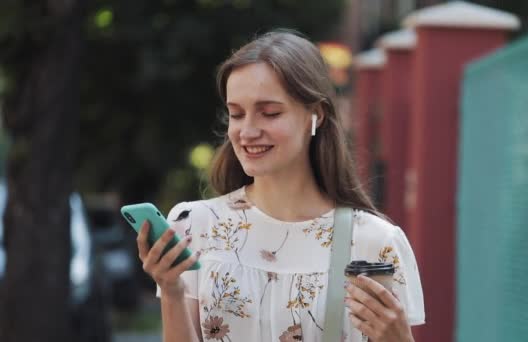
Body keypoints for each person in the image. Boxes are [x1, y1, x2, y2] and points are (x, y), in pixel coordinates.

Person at [136, 29, 425, 342]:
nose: (247, 131)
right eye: (236, 114)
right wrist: (172, 292)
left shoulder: (373, 242)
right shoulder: (195, 226)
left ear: (315, 115)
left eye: (269, 113)